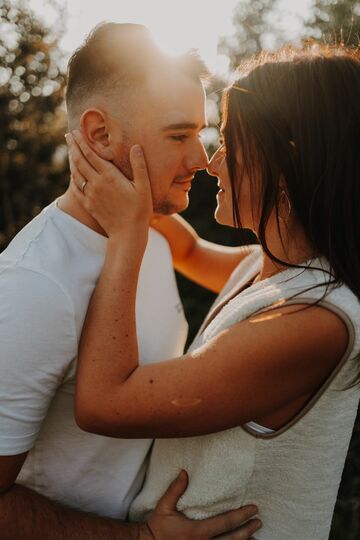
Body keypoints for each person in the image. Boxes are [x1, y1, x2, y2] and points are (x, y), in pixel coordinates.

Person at [68, 42, 360, 540]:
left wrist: (126, 239)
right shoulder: (270, 269)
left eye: (228, 141)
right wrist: (117, 172)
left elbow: (102, 403)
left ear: (289, 161)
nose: (210, 163)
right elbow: (186, 249)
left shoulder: (313, 322)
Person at [0, 22, 261, 539]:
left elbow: (255, 267)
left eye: (201, 134)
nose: (202, 160)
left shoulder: (155, 227)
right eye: (178, 135)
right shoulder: (34, 286)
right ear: (100, 134)